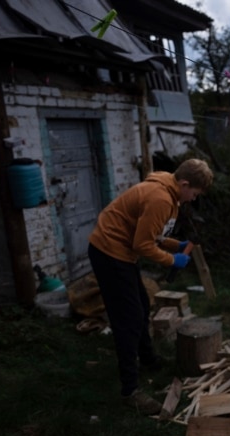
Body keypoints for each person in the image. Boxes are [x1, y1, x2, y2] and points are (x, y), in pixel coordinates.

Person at [87, 158, 214, 415]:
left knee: (142, 306)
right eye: (194, 193)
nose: (192, 199)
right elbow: (142, 246)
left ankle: (148, 359)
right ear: (184, 183)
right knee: (128, 320)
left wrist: (172, 245)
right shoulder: (161, 198)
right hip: (110, 253)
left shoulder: (169, 190)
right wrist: (172, 259)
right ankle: (130, 391)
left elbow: (151, 234)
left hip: (122, 251)